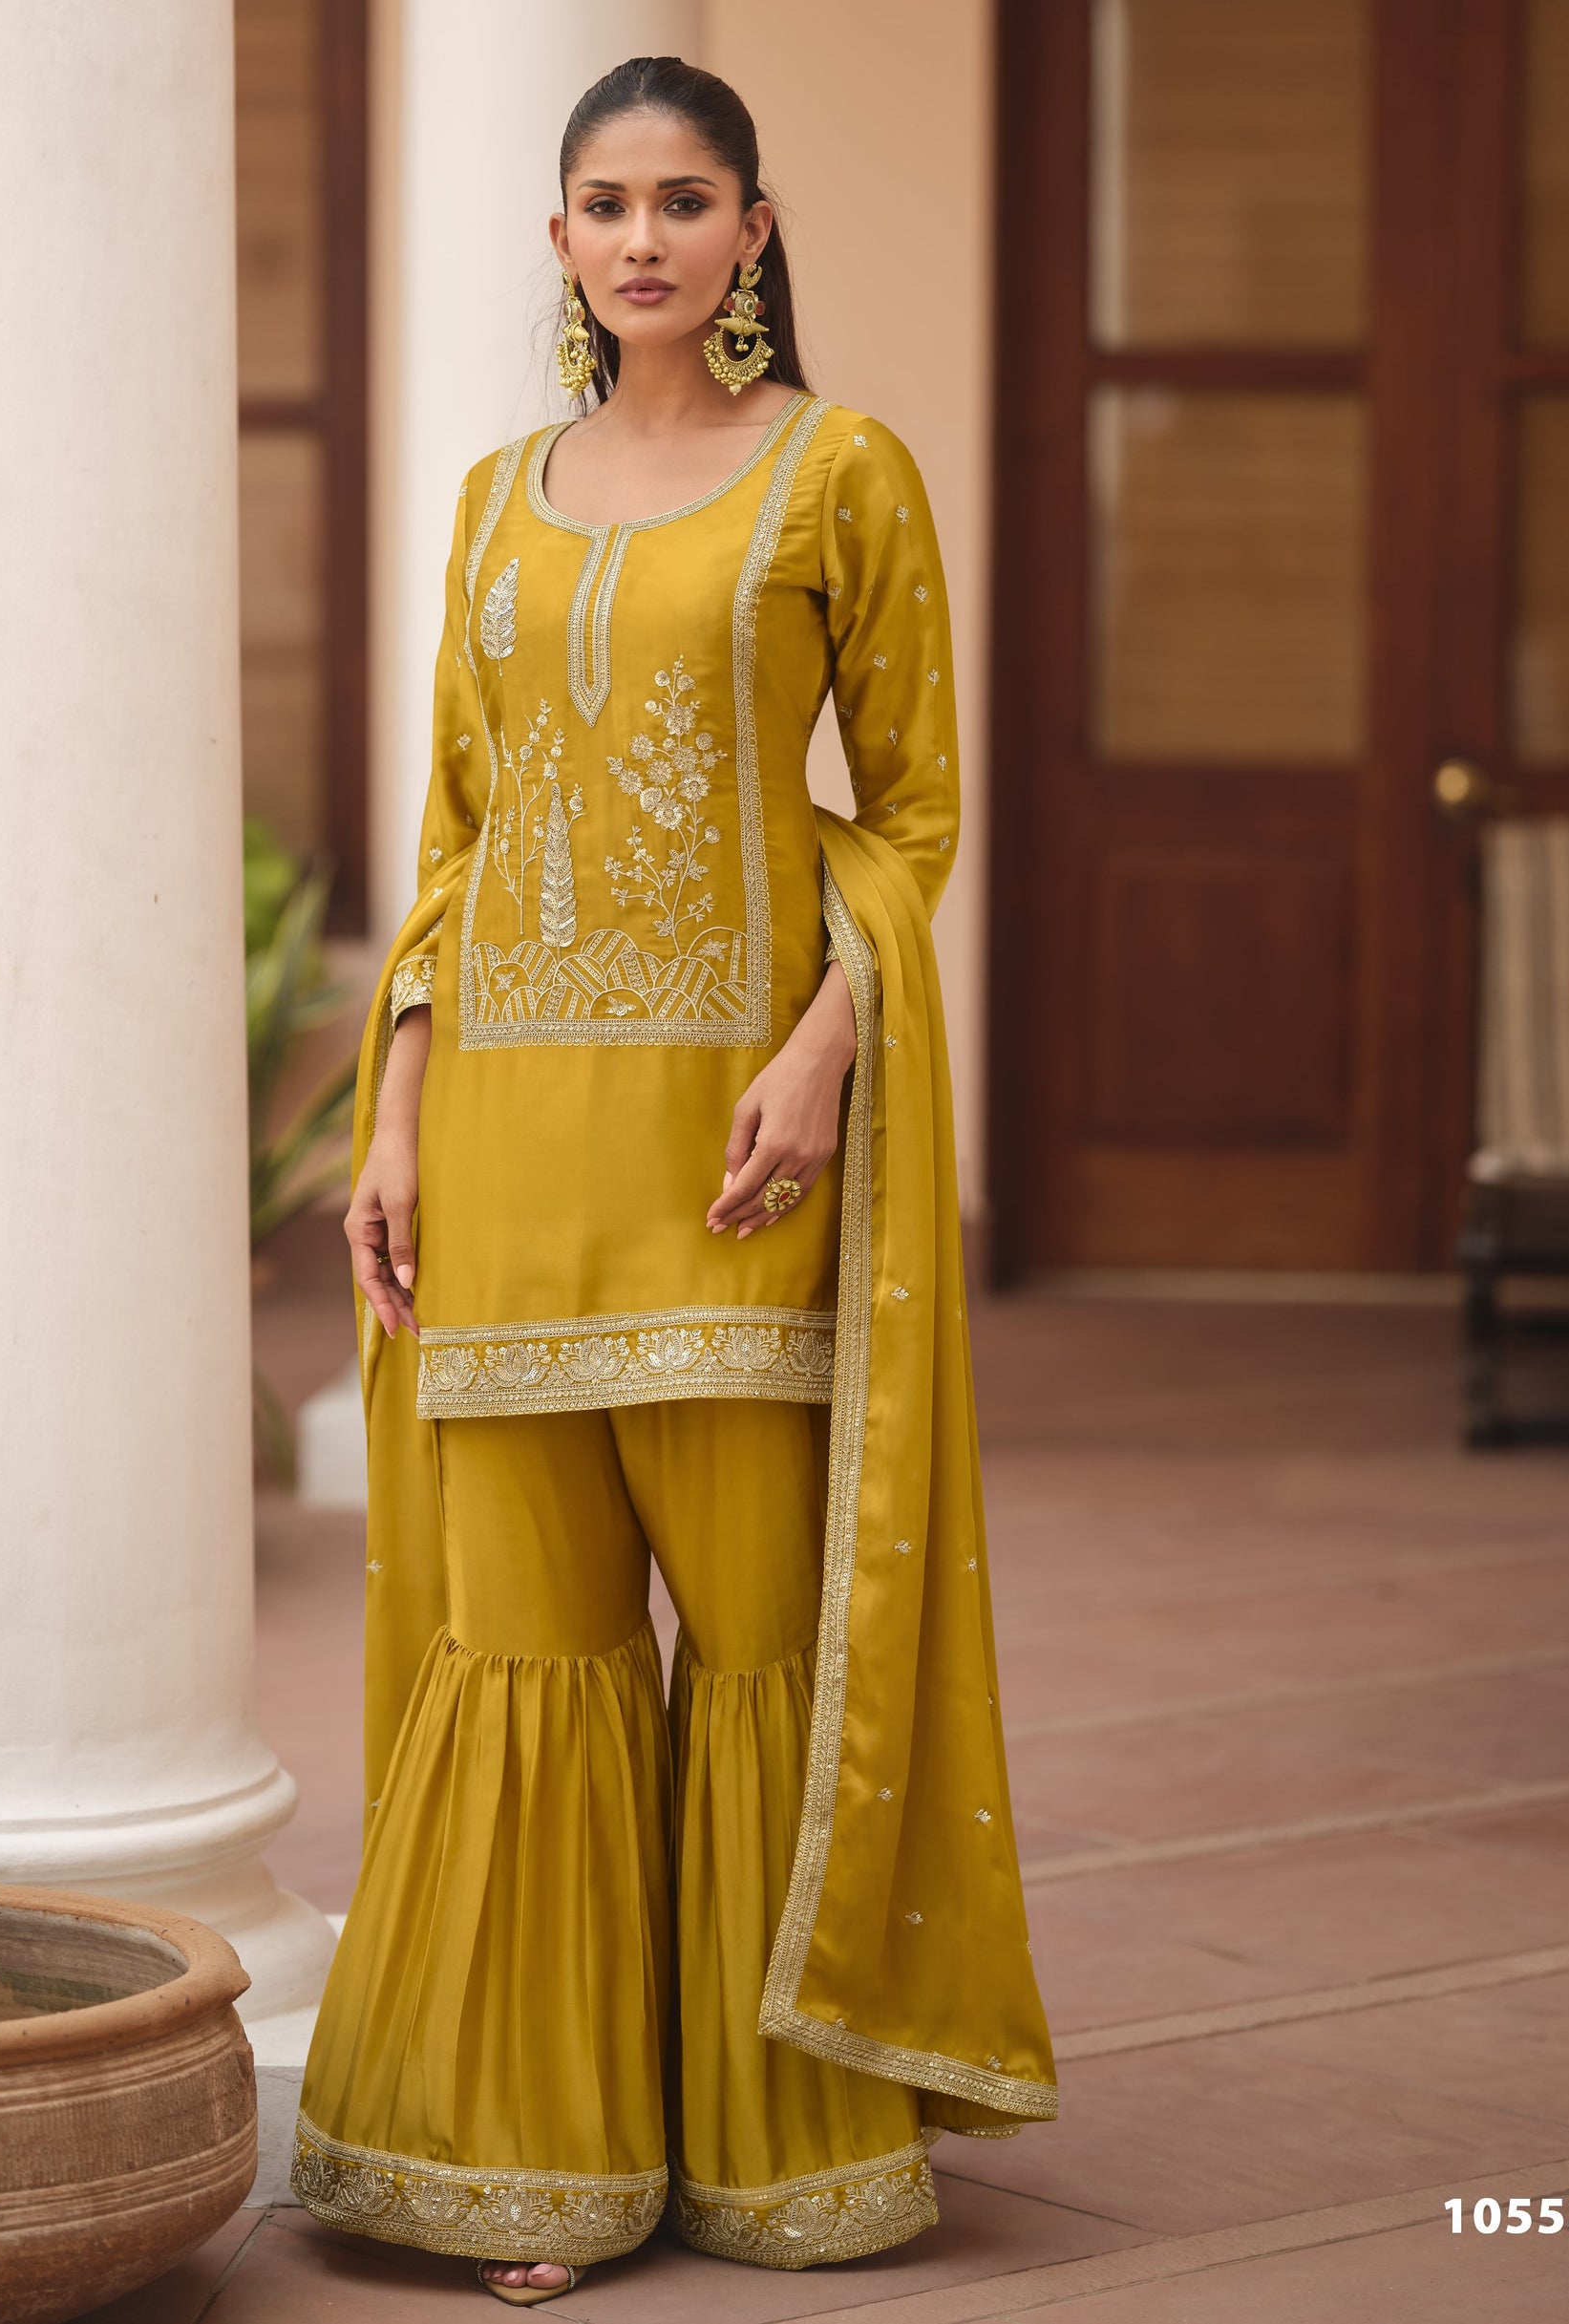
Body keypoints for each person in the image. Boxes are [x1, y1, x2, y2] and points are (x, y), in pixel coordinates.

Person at [291, 55, 1056, 2308]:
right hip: (509, 1159)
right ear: (557, 242)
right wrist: (400, 1109)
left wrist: (830, 1045)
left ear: (749, 230)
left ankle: (769, 2131)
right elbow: (454, 835)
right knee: (521, 1649)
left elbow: (910, 814)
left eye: (684, 200)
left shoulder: (844, 472)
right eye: (605, 203)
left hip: (731, 1153)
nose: (642, 238)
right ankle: (539, 2157)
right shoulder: (493, 500)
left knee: (751, 1651)